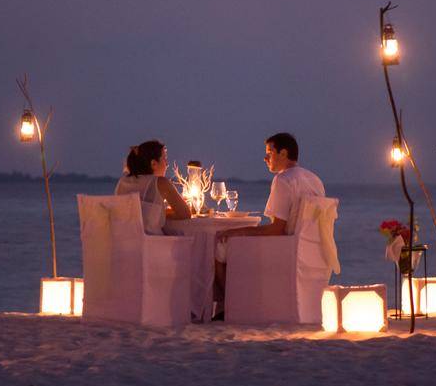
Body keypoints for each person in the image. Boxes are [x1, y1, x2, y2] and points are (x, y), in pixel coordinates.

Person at [212, 132, 324, 316]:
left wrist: (234, 232)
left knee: (221, 244)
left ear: (283, 153)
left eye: (269, 153)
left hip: (286, 248)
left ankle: (229, 305)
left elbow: (277, 229)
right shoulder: (315, 180)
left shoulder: (283, 179)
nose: (265, 158)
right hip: (313, 248)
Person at [114, 140, 191, 234]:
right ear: (153, 164)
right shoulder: (160, 183)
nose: (167, 164)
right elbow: (185, 213)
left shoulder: (122, 182)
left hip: (122, 241)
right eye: (164, 159)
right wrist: (163, 214)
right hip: (151, 242)